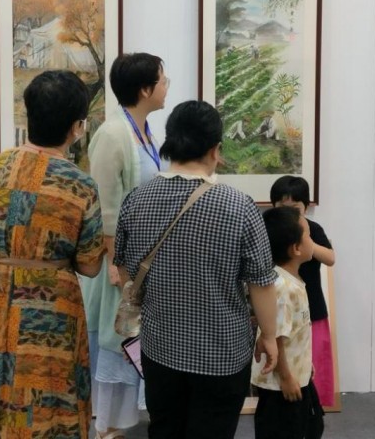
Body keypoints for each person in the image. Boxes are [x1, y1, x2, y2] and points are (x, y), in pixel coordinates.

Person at [0, 70, 104, 439]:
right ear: (77, 127)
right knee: (44, 400)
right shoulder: (80, 185)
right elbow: (91, 265)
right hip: (47, 314)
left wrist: (4, 250)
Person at [114, 100, 278, 439]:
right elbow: (261, 283)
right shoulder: (239, 207)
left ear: (170, 142)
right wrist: (270, 336)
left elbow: (127, 276)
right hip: (221, 354)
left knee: (164, 429)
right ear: (215, 149)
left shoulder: (136, 200)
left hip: (159, 348)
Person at [80, 52, 169, 439]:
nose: (167, 87)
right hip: (119, 264)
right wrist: (117, 265)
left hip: (141, 260)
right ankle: (107, 426)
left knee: (131, 339)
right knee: (116, 338)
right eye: (163, 80)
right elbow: (105, 207)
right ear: (145, 89)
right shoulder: (113, 134)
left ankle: (117, 423)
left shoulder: (144, 132)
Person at [252, 206, 323, 439]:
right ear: (296, 248)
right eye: (309, 236)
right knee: (283, 430)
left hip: (297, 375)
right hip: (281, 384)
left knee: (311, 426)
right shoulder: (282, 288)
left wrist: (304, 363)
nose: (312, 241)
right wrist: (286, 377)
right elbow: (276, 337)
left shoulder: (292, 281)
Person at [270, 175, 336, 408]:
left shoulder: (312, 229)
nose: (289, 214)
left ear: (306, 207)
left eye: (295, 208)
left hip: (312, 309)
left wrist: (305, 238)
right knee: (284, 360)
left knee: (314, 362)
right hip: (281, 306)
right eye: (282, 207)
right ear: (273, 206)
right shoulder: (269, 230)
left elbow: (330, 258)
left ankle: (313, 407)